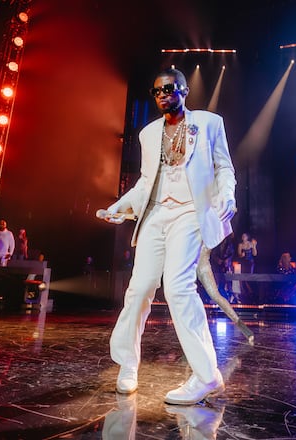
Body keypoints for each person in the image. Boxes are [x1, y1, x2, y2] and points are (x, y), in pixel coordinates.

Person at [98, 67, 236, 405]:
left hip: (190, 212)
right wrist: (120, 205)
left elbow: (223, 168)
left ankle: (206, 375)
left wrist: (227, 195)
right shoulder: (148, 134)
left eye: (170, 88)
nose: (163, 94)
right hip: (156, 214)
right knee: (140, 289)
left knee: (177, 287)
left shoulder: (209, 123)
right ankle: (128, 364)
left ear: (185, 90)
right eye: (157, 90)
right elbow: (146, 182)